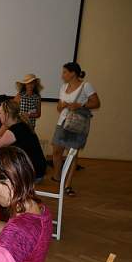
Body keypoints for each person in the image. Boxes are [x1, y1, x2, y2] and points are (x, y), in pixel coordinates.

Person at [52, 62, 101, 196]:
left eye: (65, 72)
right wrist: (62, 105)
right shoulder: (63, 87)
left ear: (73, 73)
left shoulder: (86, 85)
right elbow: (58, 107)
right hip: (62, 122)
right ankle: (57, 177)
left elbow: (96, 103)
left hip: (76, 124)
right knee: (56, 151)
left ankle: (68, 184)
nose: (62, 75)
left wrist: (80, 105)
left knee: (72, 154)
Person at [0, 99, 47, 181]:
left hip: (33, 173)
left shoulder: (14, 130)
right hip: (37, 170)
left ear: (7, 115)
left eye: (0, 113)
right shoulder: (21, 125)